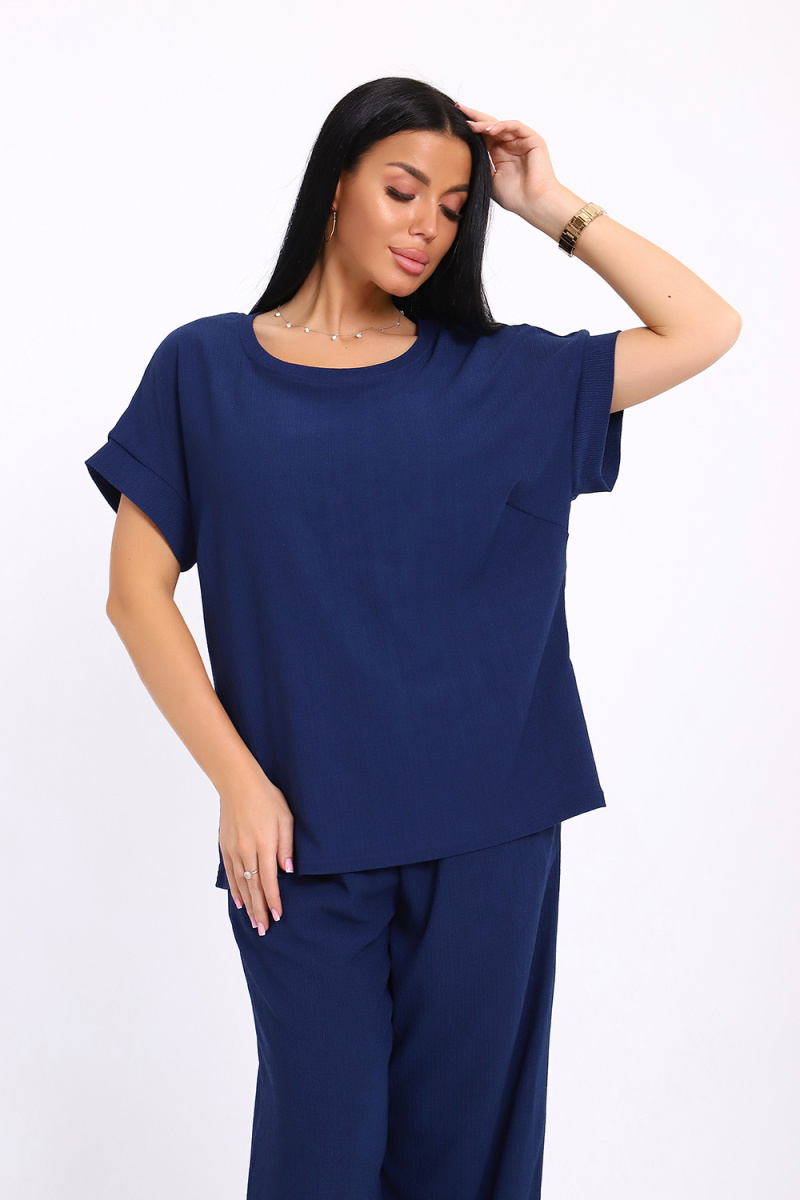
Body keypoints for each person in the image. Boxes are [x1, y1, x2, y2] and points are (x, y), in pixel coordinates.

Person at [84, 76, 741, 1200]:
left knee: (464, 1168)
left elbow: (704, 327)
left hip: (490, 835)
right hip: (297, 845)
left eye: (451, 207)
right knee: (318, 1160)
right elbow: (135, 595)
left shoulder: (502, 375)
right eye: (402, 191)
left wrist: (547, 202)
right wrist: (238, 782)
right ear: (336, 185)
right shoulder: (204, 368)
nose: (428, 226)